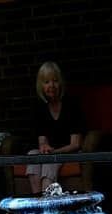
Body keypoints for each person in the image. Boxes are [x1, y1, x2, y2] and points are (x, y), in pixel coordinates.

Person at [26, 62, 83, 195]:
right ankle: (36, 202)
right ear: (41, 86)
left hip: (67, 152)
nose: (51, 85)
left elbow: (75, 144)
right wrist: (44, 147)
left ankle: (47, 207)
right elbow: (42, 141)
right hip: (51, 153)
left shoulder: (71, 104)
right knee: (32, 155)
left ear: (60, 84)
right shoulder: (39, 108)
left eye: (55, 81)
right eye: (46, 82)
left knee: (49, 161)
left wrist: (53, 152)